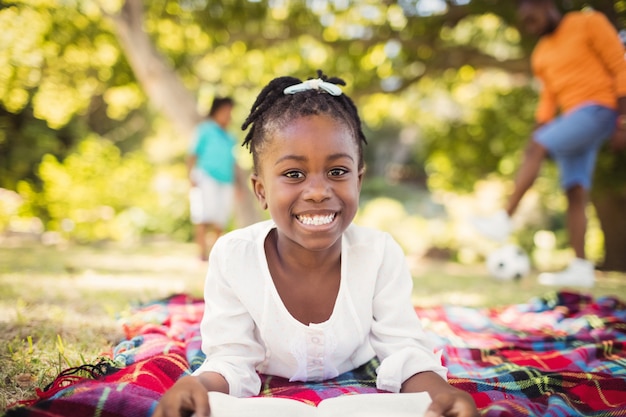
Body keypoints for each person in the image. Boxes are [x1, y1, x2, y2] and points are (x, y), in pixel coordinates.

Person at [155, 72, 478, 417]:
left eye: (337, 171)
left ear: (359, 179)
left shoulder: (379, 254)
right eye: (294, 174)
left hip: (357, 362)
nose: (318, 191)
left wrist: (441, 396)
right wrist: (198, 386)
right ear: (261, 190)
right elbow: (232, 359)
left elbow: (404, 350)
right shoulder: (234, 257)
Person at [472, 0, 626, 287]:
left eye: (533, 18)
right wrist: (539, 130)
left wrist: (623, 119)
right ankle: (581, 266)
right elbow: (549, 99)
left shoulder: (588, 22)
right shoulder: (541, 53)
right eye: (525, 23)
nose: (530, 26)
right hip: (573, 118)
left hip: (600, 109)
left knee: (538, 145)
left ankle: (504, 218)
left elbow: (619, 63)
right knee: (575, 191)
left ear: (546, 5)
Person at [187, 97, 237, 261]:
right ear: (216, 111)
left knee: (220, 218)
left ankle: (216, 254)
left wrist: (238, 186)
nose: (228, 115)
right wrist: (190, 175)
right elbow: (193, 153)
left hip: (226, 180)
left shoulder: (230, 137)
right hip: (206, 176)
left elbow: (232, 162)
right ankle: (201, 254)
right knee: (203, 215)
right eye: (225, 111)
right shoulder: (205, 129)